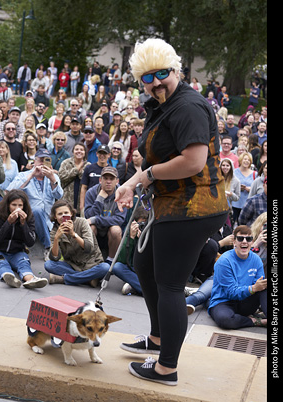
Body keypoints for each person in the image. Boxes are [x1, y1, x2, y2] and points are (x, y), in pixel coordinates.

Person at [115, 38, 228, 386]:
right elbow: (156, 158)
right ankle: (158, 338)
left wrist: (146, 176)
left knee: (170, 285)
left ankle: (166, 367)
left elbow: (192, 162)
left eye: (162, 73)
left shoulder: (188, 106)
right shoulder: (163, 104)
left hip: (193, 207)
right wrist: (131, 182)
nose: (155, 82)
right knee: (144, 267)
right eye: (147, 77)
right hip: (173, 204)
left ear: (175, 70)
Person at [0, 190, 48, 289]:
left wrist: (23, 225)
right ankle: (10, 278)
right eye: (14, 205)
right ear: (8, 205)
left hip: (17, 252)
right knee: (1, 262)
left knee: (23, 263)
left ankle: (31, 280)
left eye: (20, 205)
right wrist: (8, 223)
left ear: (24, 206)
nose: (17, 208)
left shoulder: (29, 216)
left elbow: (30, 242)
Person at [6, 148, 63, 258]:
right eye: (40, 160)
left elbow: (59, 196)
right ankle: (48, 247)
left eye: (46, 160)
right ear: (34, 162)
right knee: (37, 210)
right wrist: (32, 175)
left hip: (48, 215)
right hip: (30, 214)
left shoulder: (53, 176)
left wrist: (52, 179)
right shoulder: (24, 175)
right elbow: (11, 191)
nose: (42, 163)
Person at [208, 225, 267, 329]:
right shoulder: (224, 261)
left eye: (248, 239)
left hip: (245, 302)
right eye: (240, 238)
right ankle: (256, 321)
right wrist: (253, 288)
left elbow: (259, 287)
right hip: (224, 302)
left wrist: (257, 287)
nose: (244, 241)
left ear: (252, 242)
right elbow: (231, 292)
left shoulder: (256, 260)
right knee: (225, 320)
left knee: (264, 288)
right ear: (234, 242)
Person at [44, 199, 109, 287]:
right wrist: (56, 238)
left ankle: (64, 279)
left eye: (66, 213)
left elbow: (89, 248)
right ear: (55, 216)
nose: (63, 216)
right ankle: (88, 279)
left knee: (105, 268)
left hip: (92, 264)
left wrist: (73, 234)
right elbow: (55, 257)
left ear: (71, 213)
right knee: (48, 265)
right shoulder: (54, 231)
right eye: (60, 214)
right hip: (72, 265)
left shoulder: (82, 222)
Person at [85, 166, 127, 263]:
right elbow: (88, 216)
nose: (108, 181)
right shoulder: (91, 192)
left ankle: (110, 260)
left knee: (116, 230)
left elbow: (119, 219)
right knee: (90, 228)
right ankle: (91, 260)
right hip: (96, 230)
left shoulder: (122, 193)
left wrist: (96, 219)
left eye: (111, 179)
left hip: (110, 231)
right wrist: (99, 199)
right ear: (100, 180)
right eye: (105, 178)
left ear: (117, 181)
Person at [112, 206, 149, 296]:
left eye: (144, 224)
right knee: (117, 267)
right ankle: (144, 289)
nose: (142, 227)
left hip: (147, 272)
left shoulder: (151, 233)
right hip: (133, 269)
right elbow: (122, 259)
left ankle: (137, 287)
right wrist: (131, 239)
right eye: (140, 224)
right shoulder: (131, 232)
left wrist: (143, 241)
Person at [59, 142, 90, 213]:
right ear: (73, 152)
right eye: (76, 149)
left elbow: (87, 180)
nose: (79, 151)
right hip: (67, 199)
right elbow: (62, 177)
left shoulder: (88, 165)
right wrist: (77, 169)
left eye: (81, 150)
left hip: (81, 200)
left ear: (85, 152)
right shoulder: (65, 163)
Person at [79, 144, 110, 214]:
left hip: (106, 205)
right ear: (96, 154)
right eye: (100, 153)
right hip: (90, 203)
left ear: (109, 155)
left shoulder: (111, 170)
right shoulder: (89, 168)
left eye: (105, 153)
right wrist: (82, 206)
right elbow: (83, 187)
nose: (102, 155)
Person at [232, 152, 255, 225]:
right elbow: (230, 185)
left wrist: (250, 189)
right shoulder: (234, 172)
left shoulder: (255, 174)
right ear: (241, 160)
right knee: (233, 224)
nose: (246, 161)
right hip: (236, 203)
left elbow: (257, 188)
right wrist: (238, 188)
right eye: (245, 159)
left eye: (248, 160)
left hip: (248, 204)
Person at [251, 212, 267, 277]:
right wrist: (256, 244)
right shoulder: (247, 239)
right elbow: (241, 262)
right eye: (265, 225)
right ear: (258, 225)